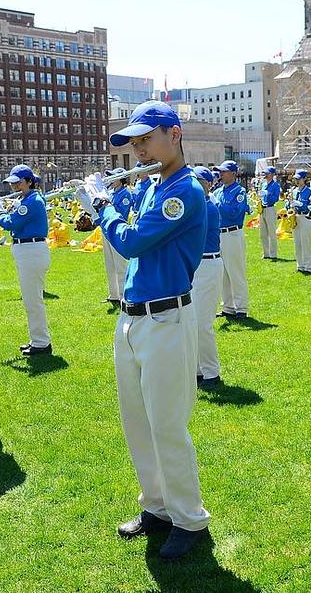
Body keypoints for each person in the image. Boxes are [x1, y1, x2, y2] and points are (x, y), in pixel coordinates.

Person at [80, 100, 210, 561]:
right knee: (137, 421)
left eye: (145, 139)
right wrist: (109, 208)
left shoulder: (184, 190)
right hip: (135, 316)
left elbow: (131, 240)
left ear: (174, 134)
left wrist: (100, 204)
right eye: (133, 143)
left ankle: (189, 518)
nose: (137, 150)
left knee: (167, 423)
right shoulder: (156, 186)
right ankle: (156, 506)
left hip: (166, 318)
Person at [0, 164, 53, 356]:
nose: (14, 187)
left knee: (33, 300)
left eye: (18, 183)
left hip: (31, 249)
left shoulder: (32, 201)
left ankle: (42, 342)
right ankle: (37, 339)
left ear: (29, 181)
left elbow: (11, 222)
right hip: (26, 248)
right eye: (12, 183)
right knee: (31, 299)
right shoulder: (27, 199)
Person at [191, 166, 223, 387]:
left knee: (203, 323)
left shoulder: (208, 208)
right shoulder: (198, 205)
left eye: (198, 180)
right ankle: (198, 369)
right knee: (192, 321)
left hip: (209, 264)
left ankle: (212, 372)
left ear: (208, 184)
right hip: (198, 265)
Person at [213, 160, 249, 318]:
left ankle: (241, 307)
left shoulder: (239, 191)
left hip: (233, 233)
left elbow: (233, 213)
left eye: (224, 171)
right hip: (220, 233)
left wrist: (218, 204)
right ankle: (228, 306)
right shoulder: (218, 191)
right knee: (223, 273)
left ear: (234, 173)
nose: (221, 174)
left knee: (235, 271)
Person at [101, 168, 132, 307]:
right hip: (107, 231)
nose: (111, 180)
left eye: (113, 177)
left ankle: (122, 295)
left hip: (117, 231)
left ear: (121, 179)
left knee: (120, 265)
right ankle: (113, 294)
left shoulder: (125, 194)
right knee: (109, 264)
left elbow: (120, 213)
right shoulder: (112, 193)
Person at [287, 169, 311, 273]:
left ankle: (309, 266)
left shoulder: (309, 191)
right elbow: (288, 204)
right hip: (295, 216)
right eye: (295, 179)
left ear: (304, 179)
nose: (297, 181)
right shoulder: (294, 190)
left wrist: (300, 204)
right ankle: (300, 265)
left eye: (299, 179)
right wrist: (289, 204)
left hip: (305, 217)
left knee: (305, 242)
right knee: (297, 243)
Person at [258, 166, 280, 259]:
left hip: (270, 208)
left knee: (271, 232)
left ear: (271, 174)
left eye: (267, 173)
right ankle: (266, 253)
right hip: (262, 209)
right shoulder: (263, 184)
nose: (265, 175)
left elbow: (276, 198)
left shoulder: (275, 185)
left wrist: (268, 194)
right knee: (263, 233)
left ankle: (273, 253)